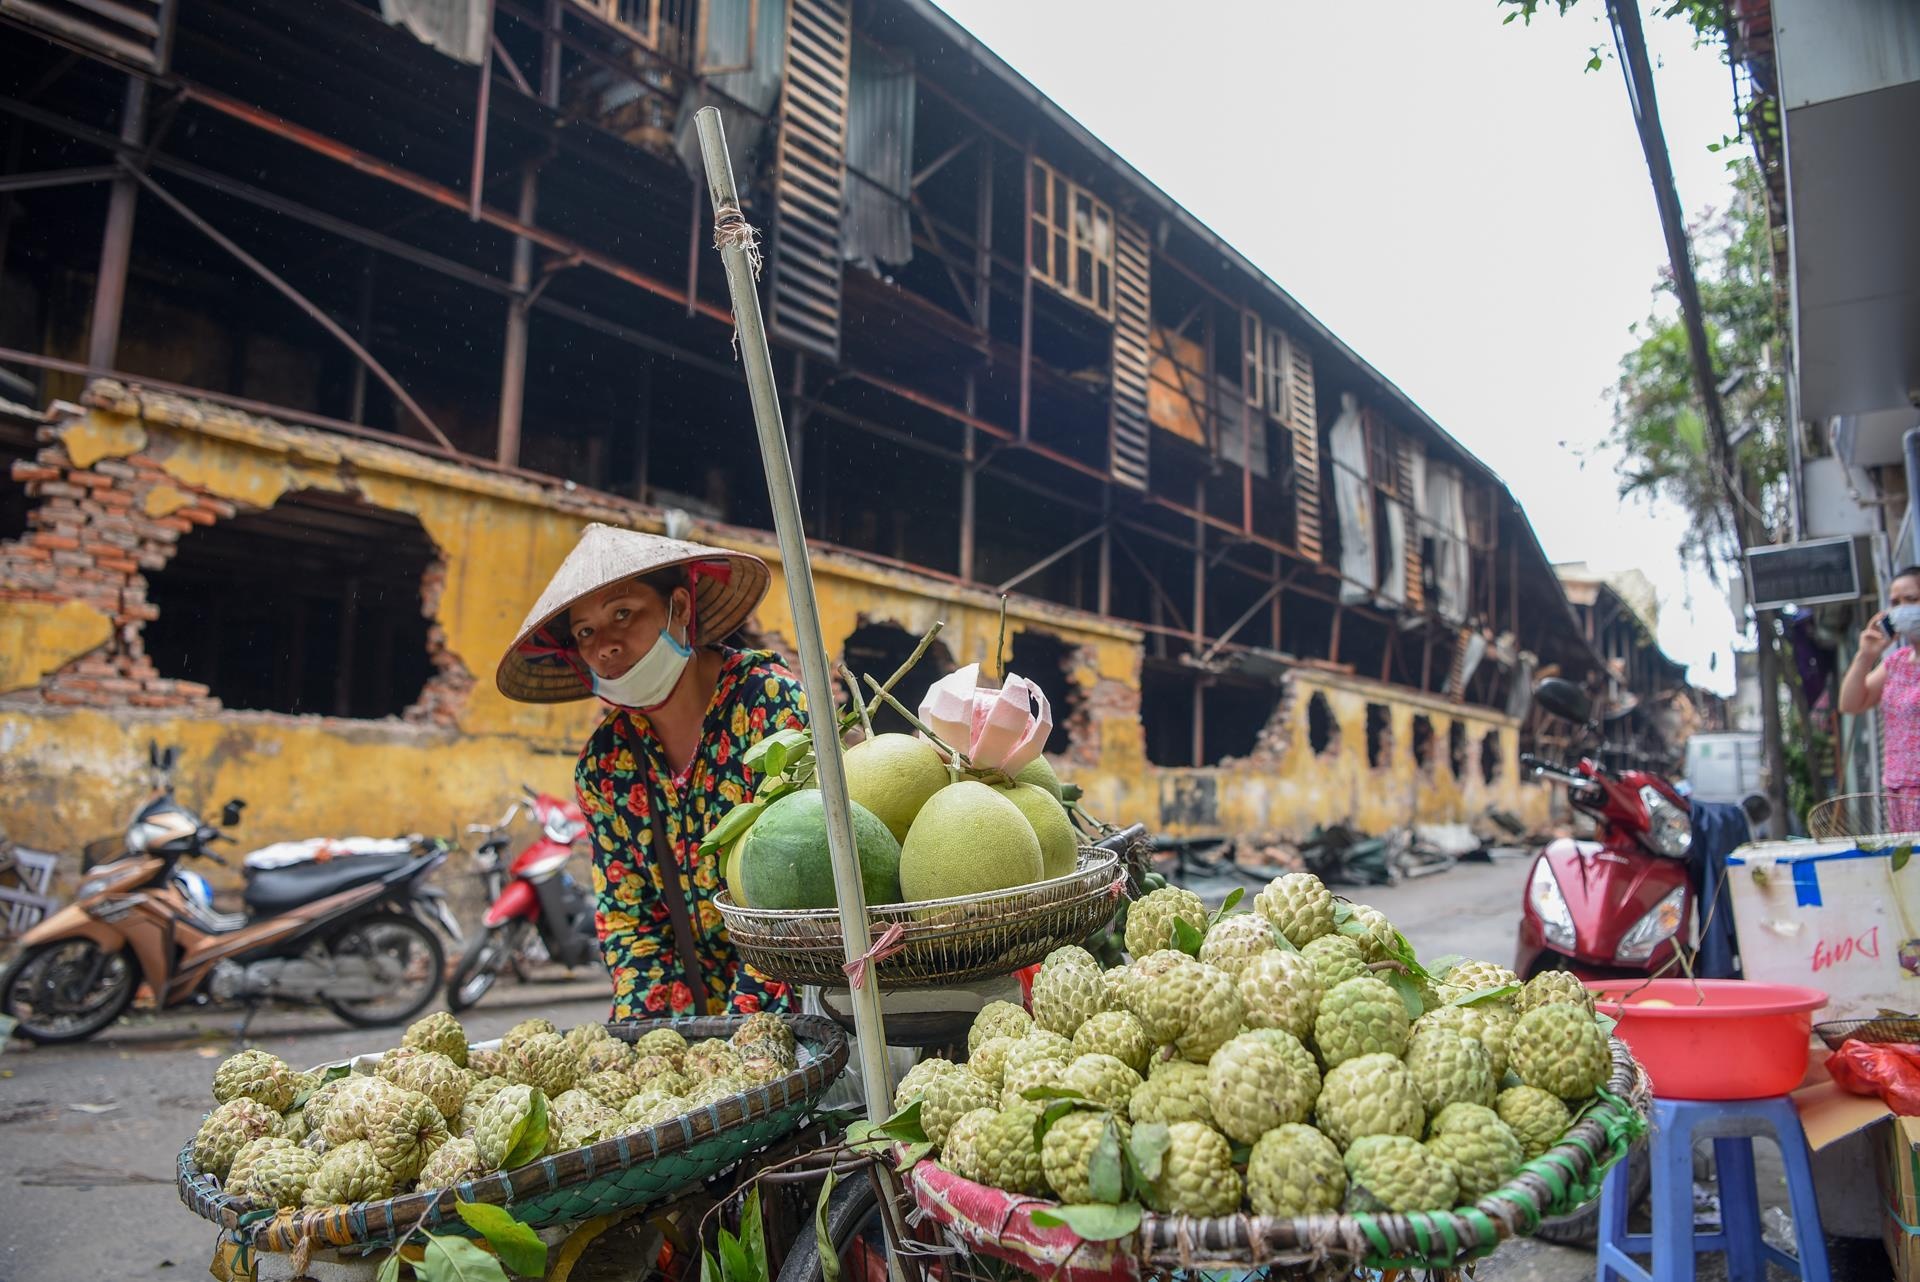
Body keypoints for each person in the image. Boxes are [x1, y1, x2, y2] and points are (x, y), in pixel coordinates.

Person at [497, 523, 806, 1020]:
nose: (605, 645)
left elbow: (797, 893)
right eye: (585, 632)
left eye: (623, 613)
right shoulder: (605, 765)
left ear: (679, 607)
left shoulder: (770, 705)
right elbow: (629, 918)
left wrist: (747, 1031)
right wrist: (656, 1043)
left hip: (800, 998)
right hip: (697, 1018)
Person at [1837, 565, 1920, 828]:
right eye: (1895, 603)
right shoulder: (1897, 663)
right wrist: (1866, 654)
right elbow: (1850, 703)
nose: (1902, 608)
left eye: (1912, 600)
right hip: (1898, 793)